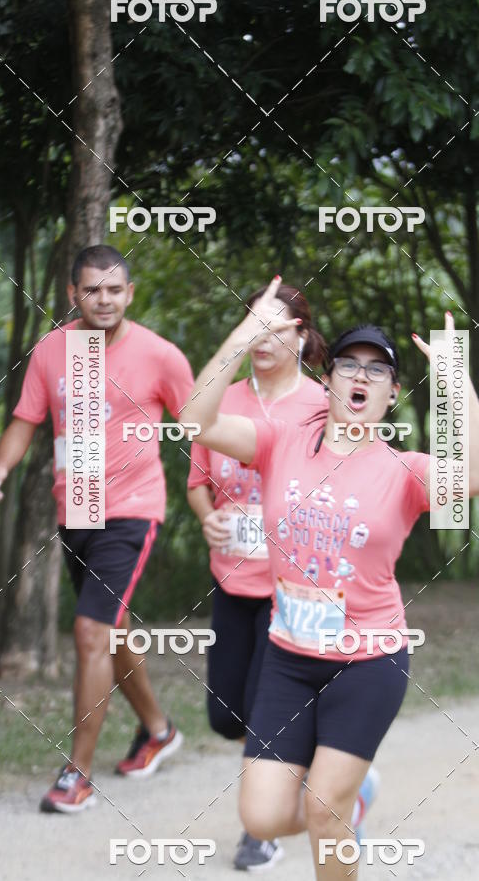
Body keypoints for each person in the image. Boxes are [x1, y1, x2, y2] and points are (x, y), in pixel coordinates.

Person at [180, 276, 479, 879]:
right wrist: (248, 332)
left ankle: (342, 803)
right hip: (288, 658)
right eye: (349, 365)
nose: (360, 376)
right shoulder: (279, 444)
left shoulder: (404, 471)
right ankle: (357, 795)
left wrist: (455, 378)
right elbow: (195, 419)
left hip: (367, 660)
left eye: (377, 371)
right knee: (265, 817)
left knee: (325, 817)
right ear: (328, 383)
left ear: (393, 395)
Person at [0, 245, 194, 813]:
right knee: (110, 630)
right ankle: (158, 729)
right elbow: (26, 420)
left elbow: (200, 426)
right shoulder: (54, 350)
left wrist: (216, 494)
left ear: (130, 293)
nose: (104, 299)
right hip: (76, 508)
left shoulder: (160, 356)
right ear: (73, 294)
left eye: (115, 289)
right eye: (92, 290)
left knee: (89, 632)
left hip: (134, 509)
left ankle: (78, 773)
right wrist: (0, 466)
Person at [187, 282, 329, 870]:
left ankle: (262, 828)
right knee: (226, 715)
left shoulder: (323, 405)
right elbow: (198, 478)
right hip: (232, 581)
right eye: (250, 328)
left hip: (291, 590)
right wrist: (209, 519)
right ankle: (321, 770)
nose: (260, 341)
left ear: (300, 335)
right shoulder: (227, 400)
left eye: (273, 328)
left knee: (262, 710)